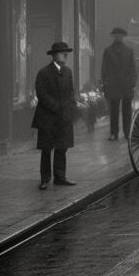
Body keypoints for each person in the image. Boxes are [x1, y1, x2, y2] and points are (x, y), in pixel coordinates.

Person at [33, 41, 77, 189]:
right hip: (47, 117)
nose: (65, 55)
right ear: (54, 56)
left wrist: (69, 108)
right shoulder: (43, 73)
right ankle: (44, 179)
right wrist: (56, 107)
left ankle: (60, 177)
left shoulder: (68, 72)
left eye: (66, 53)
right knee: (46, 149)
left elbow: (71, 93)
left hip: (64, 117)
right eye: (62, 53)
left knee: (62, 147)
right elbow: (42, 94)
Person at [101, 26, 136, 141]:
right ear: (113, 37)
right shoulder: (108, 51)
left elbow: (133, 68)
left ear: (123, 37)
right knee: (114, 111)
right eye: (116, 35)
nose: (118, 37)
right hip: (113, 85)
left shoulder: (129, 51)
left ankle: (127, 132)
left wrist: (132, 82)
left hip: (126, 85)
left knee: (127, 111)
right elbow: (104, 69)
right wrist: (105, 83)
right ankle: (114, 133)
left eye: (120, 35)